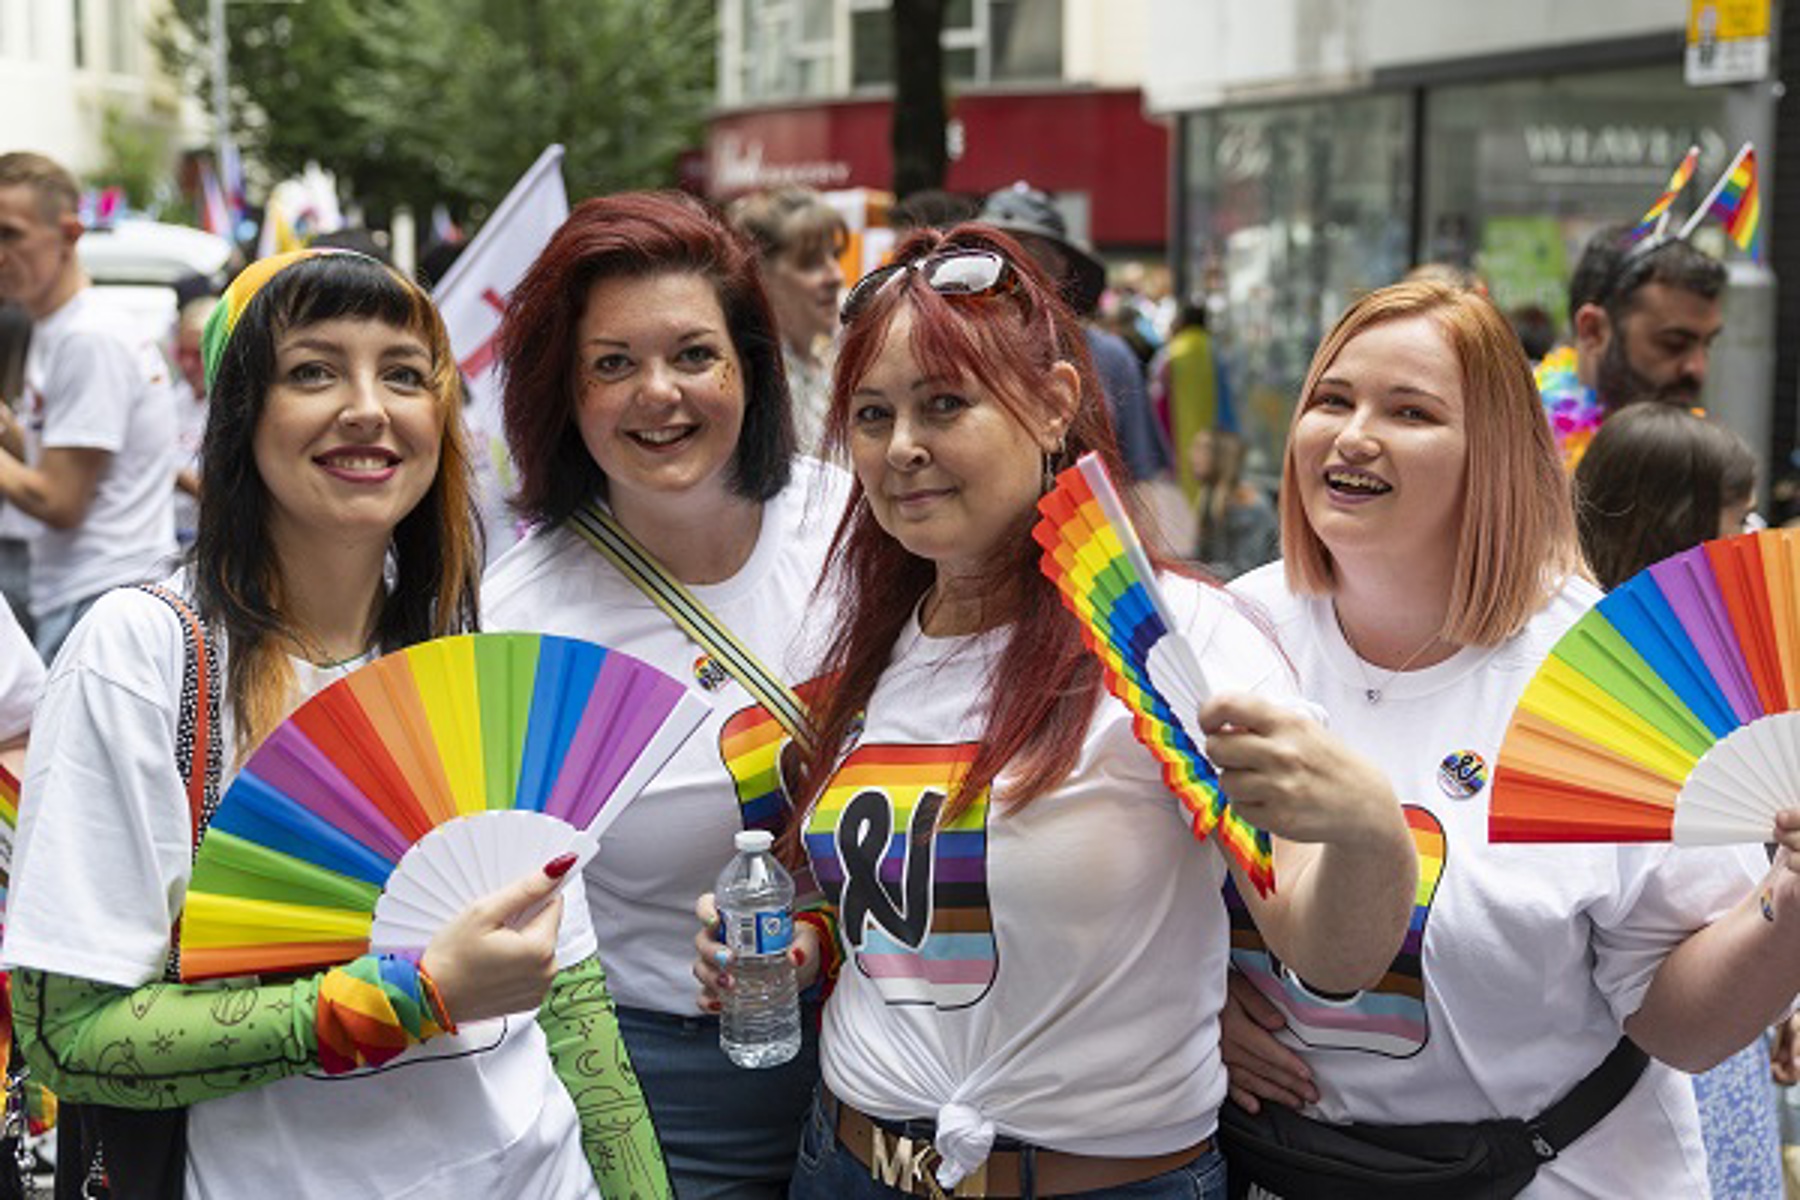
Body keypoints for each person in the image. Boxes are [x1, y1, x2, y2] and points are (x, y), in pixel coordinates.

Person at [696, 224, 1421, 1199]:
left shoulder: (1176, 642)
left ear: (1053, 407)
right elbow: (881, 914)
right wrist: (801, 941)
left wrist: (1370, 831)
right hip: (848, 1164)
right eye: (872, 415)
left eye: (946, 405)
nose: (903, 448)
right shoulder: (854, 642)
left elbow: (1328, 953)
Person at [1, 249, 667, 1199]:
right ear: (240, 416)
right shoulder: (144, 654)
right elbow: (70, 1036)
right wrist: (415, 995)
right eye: (313, 370)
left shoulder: (479, 647)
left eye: (404, 373)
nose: (369, 407)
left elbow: (572, 1001)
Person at [1220, 279, 1793, 1196]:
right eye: (1333, 399)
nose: (1355, 434)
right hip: (1288, 1170)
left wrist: (1791, 898)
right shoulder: (1229, 635)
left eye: (1410, 411)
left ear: (1493, 456)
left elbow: (1682, 1025)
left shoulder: (1612, 679)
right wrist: (1197, 1005)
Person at [483, 191, 850, 1200]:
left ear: (749, 364)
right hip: (669, 1091)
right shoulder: (519, 620)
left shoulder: (865, 527)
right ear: (563, 390)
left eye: (694, 354)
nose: (660, 393)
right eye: (613, 363)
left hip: (903, 1043)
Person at [1574, 402, 1783, 1199]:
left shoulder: (1698, 661)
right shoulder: (1627, 695)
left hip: (1721, 1011)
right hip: (1651, 1056)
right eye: (1737, 517)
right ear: (1681, 527)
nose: (1754, 535)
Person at [0, 152, 178, 661]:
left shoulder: (88, 336)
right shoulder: (63, 327)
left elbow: (59, 500)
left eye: (10, 234)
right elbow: (45, 454)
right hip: (90, 591)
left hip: (99, 597)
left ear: (71, 233)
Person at [977, 181, 1170, 483]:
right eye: (995, 254)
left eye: (1029, 253)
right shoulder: (955, 352)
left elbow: (1144, 476)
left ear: (1061, 267)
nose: (1011, 272)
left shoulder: (1108, 358)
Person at [727, 187, 847, 457]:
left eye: (835, 256)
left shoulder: (831, 365)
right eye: (810, 263)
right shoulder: (751, 385)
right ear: (759, 275)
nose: (835, 276)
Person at [1566, 224, 1726, 415]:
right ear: (1593, 330)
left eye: (1707, 344)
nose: (1698, 369)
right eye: (1674, 344)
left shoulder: (1704, 442)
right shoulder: (1527, 438)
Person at [1190, 427, 1278, 580]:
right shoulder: (1210, 498)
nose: (1191, 454)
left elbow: (1245, 569)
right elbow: (1202, 557)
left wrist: (1192, 573)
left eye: (1201, 448)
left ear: (1221, 457)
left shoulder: (1247, 503)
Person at [170, 294, 218, 545]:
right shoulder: (176, 397)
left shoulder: (235, 408)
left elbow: (224, 498)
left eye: (198, 355)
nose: (188, 365)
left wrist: (169, 470)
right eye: (181, 354)